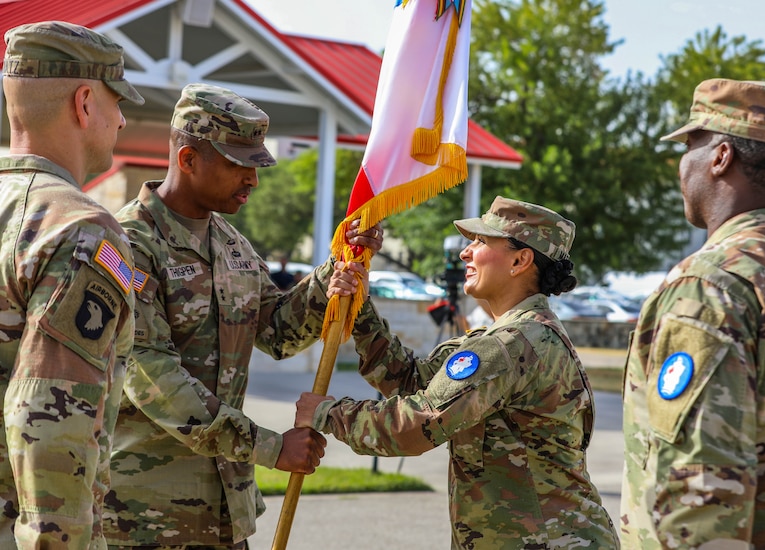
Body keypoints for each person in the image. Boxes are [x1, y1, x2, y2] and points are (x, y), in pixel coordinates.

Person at [101, 82, 383, 548]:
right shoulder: (127, 244)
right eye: (239, 165)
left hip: (224, 516)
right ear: (188, 159)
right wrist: (271, 447)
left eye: (257, 166)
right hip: (144, 519)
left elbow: (275, 330)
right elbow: (152, 378)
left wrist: (332, 275)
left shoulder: (231, 243)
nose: (253, 179)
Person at [297, 196, 620, 549]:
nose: (466, 253)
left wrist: (327, 414)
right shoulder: (510, 336)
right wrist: (358, 309)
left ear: (520, 260)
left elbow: (416, 425)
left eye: (481, 241)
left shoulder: (512, 344)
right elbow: (411, 382)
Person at [621, 78, 765, 548]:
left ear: (720, 157)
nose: (681, 163)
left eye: (690, 143)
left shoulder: (710, 285)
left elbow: (700, 495)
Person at [0, 21, 144, 548]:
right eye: (117, 102)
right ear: (85, 103)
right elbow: (49, 418)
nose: (123, 118)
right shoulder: (78, 226)